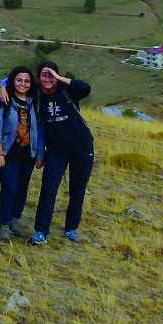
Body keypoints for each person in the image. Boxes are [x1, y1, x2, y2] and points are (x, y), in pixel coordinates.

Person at [27, 61, 94, 245]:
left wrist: (60, 78)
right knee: (48, 189)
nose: (47, 79)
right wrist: (2, 89)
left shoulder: (67, 90)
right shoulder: (38, 94)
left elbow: (86, 88)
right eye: (44, 75)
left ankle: (71, 228)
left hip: (82, 147)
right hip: (56, 150)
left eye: (51, 75)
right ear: (38, 77)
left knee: (77, 189)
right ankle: (41, 231)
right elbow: (11, 82)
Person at [0, 65, 42, 242]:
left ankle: (14, 220)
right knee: (9, 187)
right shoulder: (3, 100)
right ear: (13, 81)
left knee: (21, 189)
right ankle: (3, 224)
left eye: (27, 81)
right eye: (19, 80)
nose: (23, 84)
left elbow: (40, 129)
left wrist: (40, 154)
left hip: (29, 153)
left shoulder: (35, 101)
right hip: (7, 152)